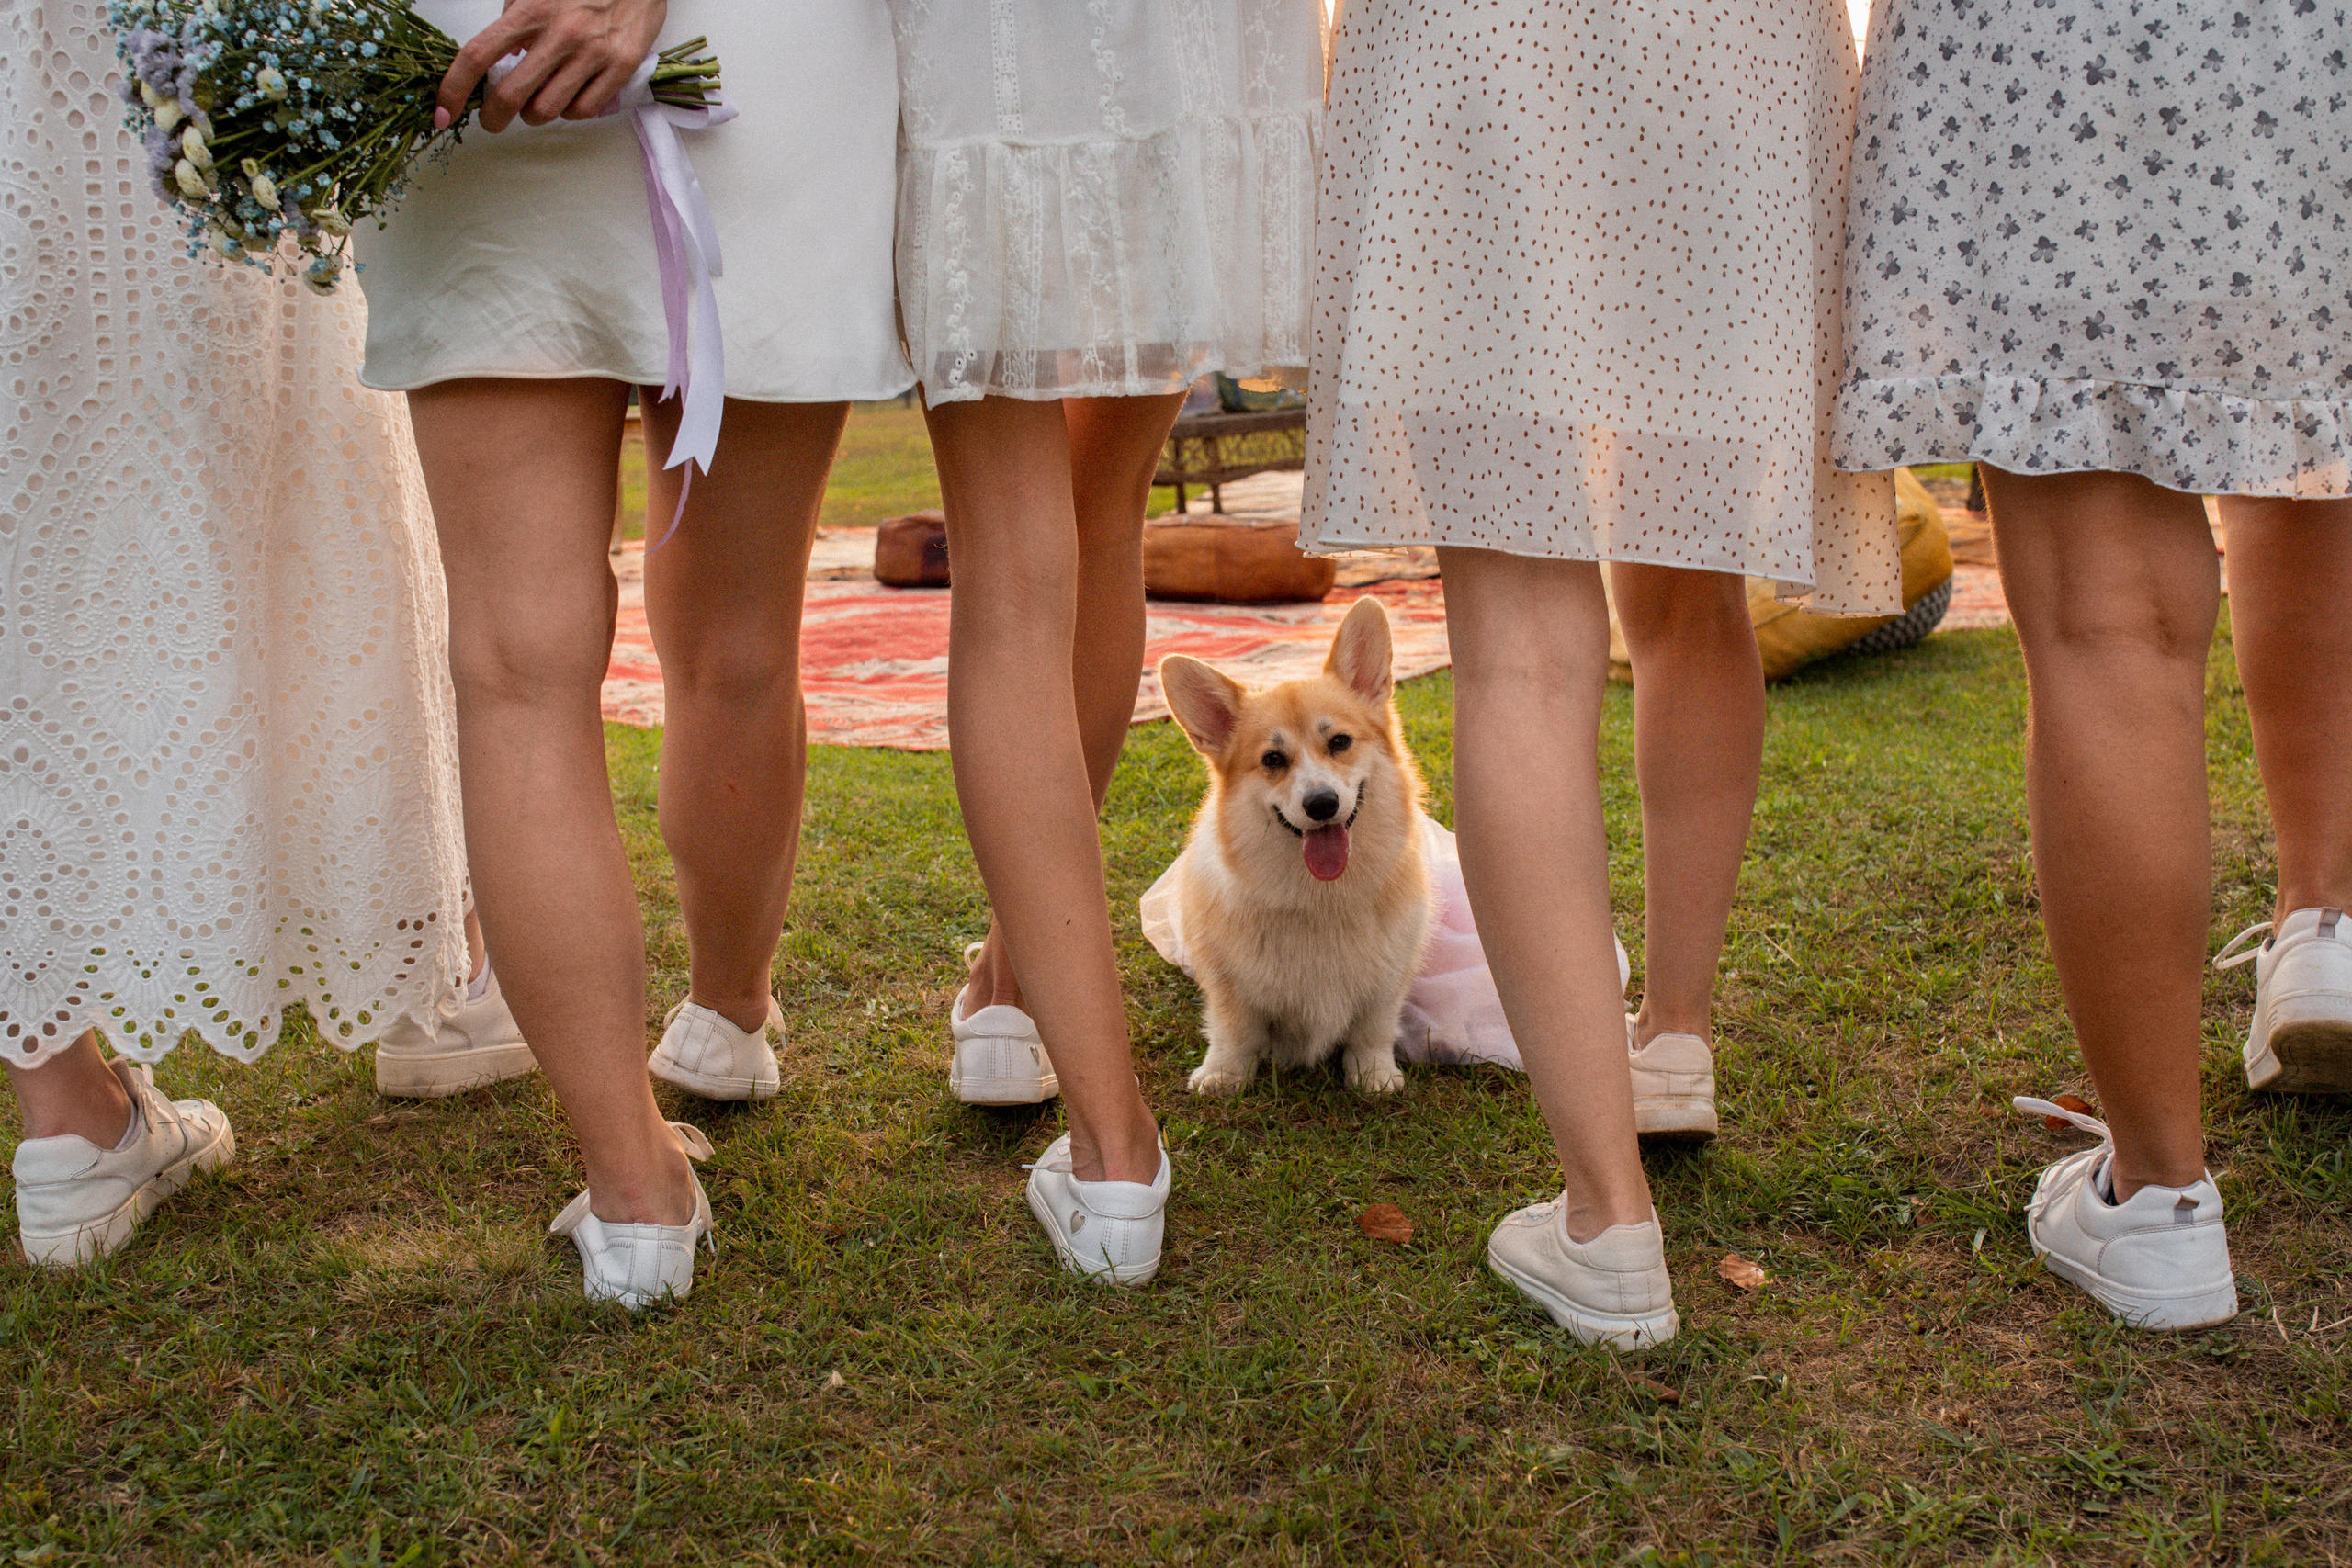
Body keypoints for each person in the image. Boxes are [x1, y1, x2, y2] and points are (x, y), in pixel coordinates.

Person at [1305, 0, 1900, 1345]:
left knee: (1519, 653)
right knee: (1694, 592)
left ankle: (1607, 1219)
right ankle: (1672, 1034)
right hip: (1725, 61)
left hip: (1482, 58)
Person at [358, 0, 911, 1303]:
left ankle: (635, 1193)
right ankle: (725, 1017)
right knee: (737, 637)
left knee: (514, 669)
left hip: (476, 68)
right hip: (751, 74)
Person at [1836, 0, 2352, 1329]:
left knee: (2108, 617)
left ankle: (2162, 1201)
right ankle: (2328, 925)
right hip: (2305, 56)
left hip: (2043, 62)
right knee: (2319, 447)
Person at [0, 0, 477, 1263]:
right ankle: (434, 968)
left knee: (35, 522)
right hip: (137, 100)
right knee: (267, 456)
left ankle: (66, 1120)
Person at [890, 0, 1326, 1283]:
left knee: (1019, 569)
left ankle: (1104, 1138)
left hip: (1000, 52)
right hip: (1180, 39)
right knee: (1099, 514)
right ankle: (1014, 983)